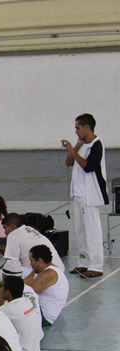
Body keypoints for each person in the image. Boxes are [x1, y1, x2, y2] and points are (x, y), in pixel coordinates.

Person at [62, 113, 109, 278]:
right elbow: (69, 162)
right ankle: (84, 262)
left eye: (77, 127)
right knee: (80, 230)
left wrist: (73, 152)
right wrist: (74, 148)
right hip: (79, 194)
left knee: (92, 230)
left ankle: (96, 266)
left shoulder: (97, 145)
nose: (76, 131)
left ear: (87, 127)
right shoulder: (81, 145)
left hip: (91, 194)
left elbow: (89, 167)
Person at [0, 276, 42, 351]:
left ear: (7, 292)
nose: (0, 290)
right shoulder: (26, 301)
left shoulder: (10, 309)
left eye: (2, 287)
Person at [0, 213, 64, 278]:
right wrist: (2, 266)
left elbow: (12, 262)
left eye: (5, 228)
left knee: (8, 273)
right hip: (59, 271)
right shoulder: (29, 229)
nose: (4, 232)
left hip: (45, 273)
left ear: (12, 226)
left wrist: (1, 271)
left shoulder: (13, 235)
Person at [24, 245, 69, 327]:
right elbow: (24, 282)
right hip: (40, 310)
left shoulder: (49, 274)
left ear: (40, 260)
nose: (30, 264)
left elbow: (26, 292)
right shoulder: (42, 270)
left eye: (31, 261)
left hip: (44, 317)